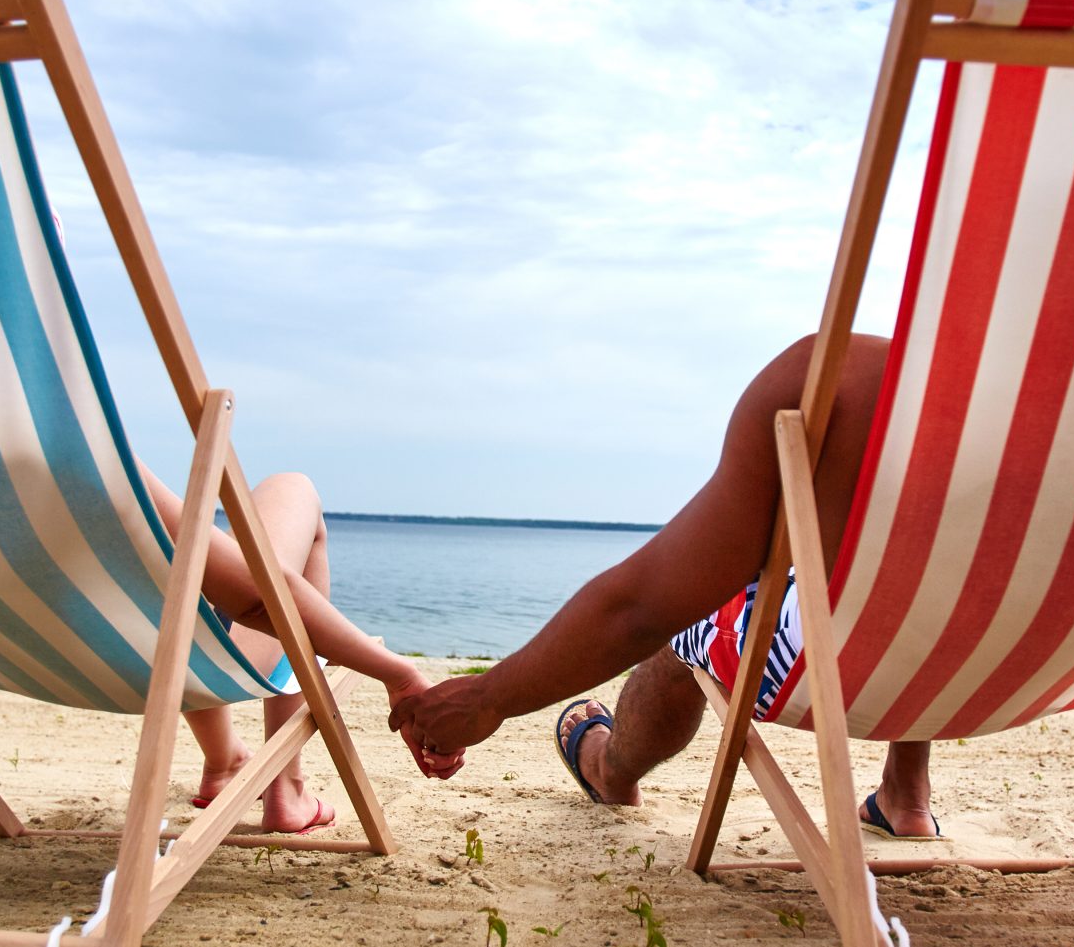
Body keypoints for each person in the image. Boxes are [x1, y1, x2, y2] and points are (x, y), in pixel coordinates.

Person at [390, 334, 939, 838]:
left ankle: (609, 768)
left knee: (691, 619)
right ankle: (906, 792)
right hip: (1000, 674)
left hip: (838, 670)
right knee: (928, 579)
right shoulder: (1006, 405)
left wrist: (488, 699)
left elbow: (641, 609)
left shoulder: (841, 374)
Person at [133, 464, 458, 834]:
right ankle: (286, 787)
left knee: (186, 582)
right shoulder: (85, 436)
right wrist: (399, 674)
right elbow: (258, 599)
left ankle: (225, 760)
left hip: (92, 667)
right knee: (293, 489)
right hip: (183, 663)